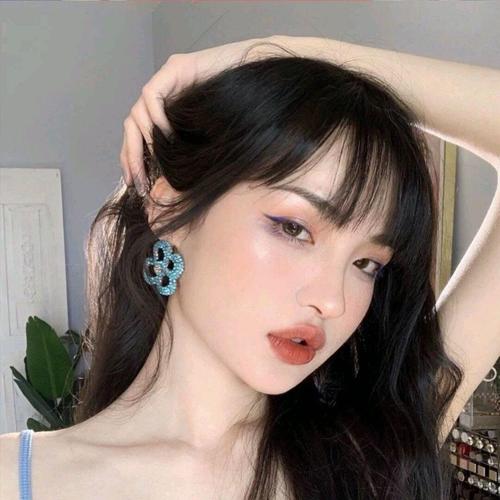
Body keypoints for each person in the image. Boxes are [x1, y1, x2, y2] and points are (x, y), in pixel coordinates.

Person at [1, 35, 499, 500]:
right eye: (294, 228)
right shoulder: (16, 477)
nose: (332, 300)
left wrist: (268, 52)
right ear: (169, 209)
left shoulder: (372, 454)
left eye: (366, 263)